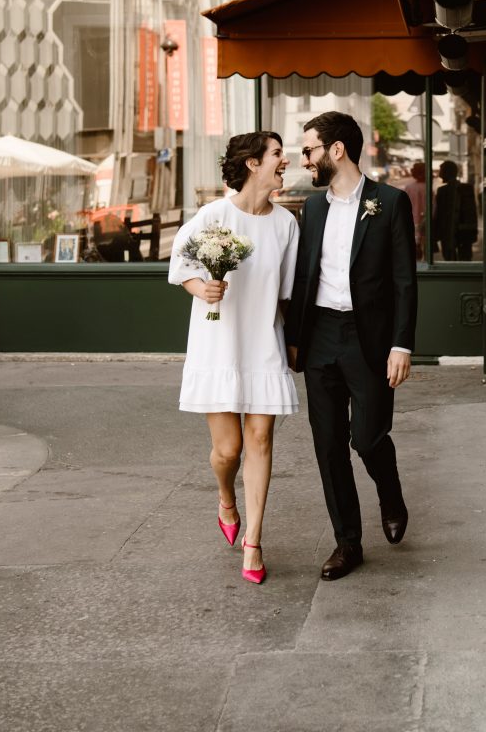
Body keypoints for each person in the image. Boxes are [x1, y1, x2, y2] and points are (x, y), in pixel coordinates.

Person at [285, 111, 417, 581]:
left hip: (369, 340)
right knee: (328, 446)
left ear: (335, 150)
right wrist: (295, 340)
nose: (305, 160)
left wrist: (402, 344)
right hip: (321, 334)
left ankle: (391, 492)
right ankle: (348, 543)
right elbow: (304, 276)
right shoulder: (313, 207)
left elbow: (404, 282)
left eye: (309, 151)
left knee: (367, 436)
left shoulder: (391, 202)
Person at [169, 131, 299, 585]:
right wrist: (200, 288)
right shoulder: (213, 215)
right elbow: (180, 268)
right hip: (218, 341)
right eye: (278, 154)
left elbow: (287, 293)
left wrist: (291, 345)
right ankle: (226, 497)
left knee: (260, 440)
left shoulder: (286, 225)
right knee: (229, 451)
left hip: (264, 340)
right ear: (253, 164)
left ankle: (255, 541)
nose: (287, 160)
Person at [433, 160, 478, 261]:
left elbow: (438, 215)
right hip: (463, 232)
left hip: (450, 232)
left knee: (452, 261)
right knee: (465, 260)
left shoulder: (442, 191)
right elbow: (472, 212)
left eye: (441, 171)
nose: (439, 175)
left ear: (446, 173)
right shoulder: (467, 188)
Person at [404, 161, 427, 260]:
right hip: (425, 221)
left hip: (412, 220)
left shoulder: (409, 188)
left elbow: (403, 206)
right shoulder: (428, 188)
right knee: (425, 247)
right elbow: (433, 207)